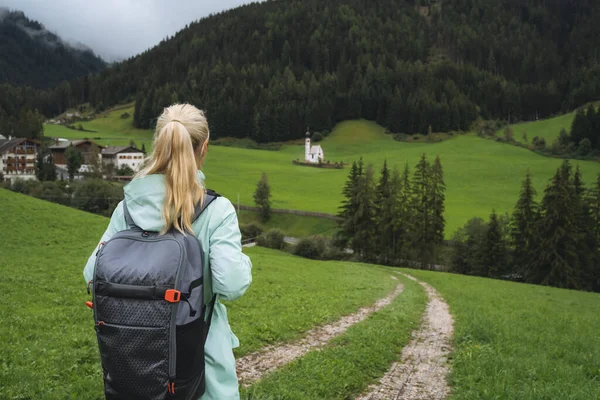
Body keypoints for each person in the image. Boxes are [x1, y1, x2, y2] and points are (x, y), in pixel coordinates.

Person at [83, 103, 252, 400]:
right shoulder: (216, 210)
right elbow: (231, 284)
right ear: (204, 148)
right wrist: (245, 262)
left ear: (158, 144)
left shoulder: (128, 208)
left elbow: (91, 273)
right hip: (200, 369)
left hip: (135, 365)